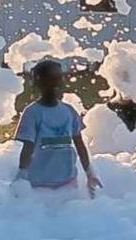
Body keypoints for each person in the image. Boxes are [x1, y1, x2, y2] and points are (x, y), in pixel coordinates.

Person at [15, 59, 102, 194]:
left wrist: (90, 173)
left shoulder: (69, 111)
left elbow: (79, 144)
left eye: (59, 78)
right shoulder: (33, 113)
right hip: (39, 184)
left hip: (68, 181)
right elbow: (28, 148)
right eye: (50, 79)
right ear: (39, 83)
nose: (56, 83)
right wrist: (21, 176)